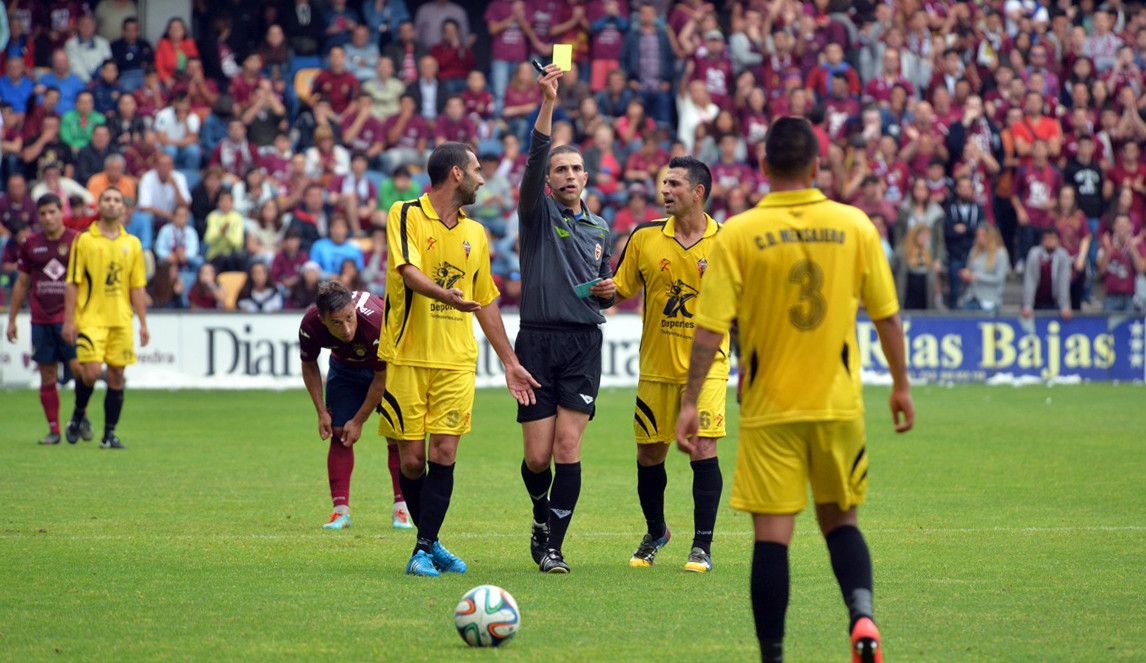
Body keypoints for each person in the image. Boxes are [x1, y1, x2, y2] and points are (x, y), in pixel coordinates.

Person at [674, 117, 913, 663]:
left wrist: (690, 403)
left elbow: (710, 330)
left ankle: (774, 655)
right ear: (816, 167)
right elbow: (888, 317)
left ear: (762, 167)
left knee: (772, 538)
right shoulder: (855, 225)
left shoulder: (737, 232)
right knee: (841, 522)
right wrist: (900, 386)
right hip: (837, 406)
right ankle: (862, 617)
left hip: (769, 409)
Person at [378, 141, 538, 577]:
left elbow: (484, 301)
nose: (483, 178)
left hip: (455, 360)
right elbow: (408, 273)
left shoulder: (476, 233)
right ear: (455, 174)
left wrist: (509, 360)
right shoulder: (405, 213)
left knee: (444, 453)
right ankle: (429, 545)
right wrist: (445, 294)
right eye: (477, 170)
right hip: (408, 355)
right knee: (411, 460)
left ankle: (423, 548)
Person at [515, 65, 616, 574]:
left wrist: (609, 291)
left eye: (577, 169)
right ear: (549, 183)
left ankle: (554, 545)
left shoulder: (600, 226)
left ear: (586, 177)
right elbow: (534, 158)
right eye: (561, 171)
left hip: (581, 345)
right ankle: (539, 516)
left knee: (567, 447)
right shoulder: (536, 213)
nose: (570, 175)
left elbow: (604, 292)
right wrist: (549, 103)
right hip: (535, 343)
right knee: (537, 457)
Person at [611, 156, 726, 573]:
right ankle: (657, 530)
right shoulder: (644, 238)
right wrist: (596, 289)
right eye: (664, 183)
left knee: (702, 447)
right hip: (656, 366)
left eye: (674, 184)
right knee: (649, 456)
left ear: (697, 192)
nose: (665, 190)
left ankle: (702, 546)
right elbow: (620, 289)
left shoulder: (725, 242)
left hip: (708, 366)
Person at [297, 280, 411, 530]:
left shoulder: (376, 323)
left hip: (389, 371)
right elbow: (309, 364)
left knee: (397, 436)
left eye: (350, 317)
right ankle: (340, 512)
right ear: (323, 319)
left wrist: (359, 420)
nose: (347, 329)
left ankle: (402, 510)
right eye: (337, 322)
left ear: (354, 309)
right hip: (345, 370)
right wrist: (321, 412)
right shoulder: (309, 324)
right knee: (339, 434)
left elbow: (381, 379)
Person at [62, 187, 149, 449]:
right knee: (89, 372)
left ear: (123, 208)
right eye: (107, 199)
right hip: (90, 319)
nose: (112, 204)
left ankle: (109, 434)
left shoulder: (132, 243)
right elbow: (72, 283)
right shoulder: (85, 240)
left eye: (116, 200)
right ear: (99, 205)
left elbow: (137, 286)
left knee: (117, 375)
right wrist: (69, 320)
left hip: (121, 320)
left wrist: (143, 323)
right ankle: (79, 414)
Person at [5, 194, 80, 445]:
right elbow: (22, 282)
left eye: (52, 212)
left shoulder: (76, 241)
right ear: (39, 216)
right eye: (43, 213)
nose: (48, 218)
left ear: (61, 212)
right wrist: (12, 319)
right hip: (41, 319)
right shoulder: (30, 244)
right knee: (47, 374)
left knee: (81, 370)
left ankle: (81, 417)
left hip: (71, 318)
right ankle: (54, 429)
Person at [1022, 228, 1072, 320]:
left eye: (1053, 239)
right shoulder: (1034, 254)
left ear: (1058, 241)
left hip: (1054, 300)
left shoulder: (1063, 256)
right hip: (1037, 299)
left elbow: (1063, 282)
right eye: (1047, 239)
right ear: (1042, 241)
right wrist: (1027, 306)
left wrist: (1065, 307)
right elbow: (1030, 281)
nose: (1050, 242)